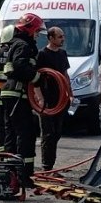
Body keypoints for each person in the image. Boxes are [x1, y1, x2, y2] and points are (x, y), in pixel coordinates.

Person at [0, 13, 44, 185]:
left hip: (12, 94)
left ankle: (11, 175)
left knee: (12, 133)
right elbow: (17, 67)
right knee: (24, 133)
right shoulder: (23, 45)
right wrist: (36, 77)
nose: (37, 35)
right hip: (16, 94)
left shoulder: (17, 44)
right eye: (37, 31)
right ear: (30, 29)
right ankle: (21, 176)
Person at [37, 26, 70, 172]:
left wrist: (70, 92)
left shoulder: (62, 53)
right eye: (60, 36)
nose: (63, 39)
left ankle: (51, 163)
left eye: (62, 36)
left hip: (61, 98)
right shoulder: (42, 54)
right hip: (47, 98)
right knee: (48, 133)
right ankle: (47, 166)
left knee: (57, 132)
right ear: (51, 38)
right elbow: (35, 79)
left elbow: (65, 74)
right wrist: (40, 98)